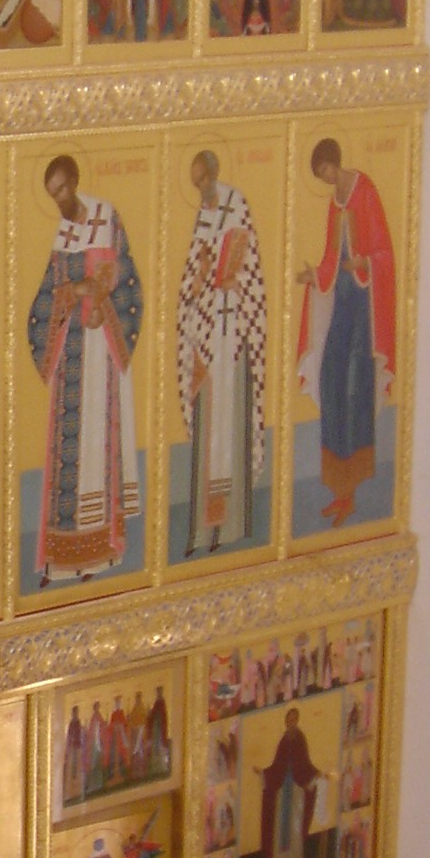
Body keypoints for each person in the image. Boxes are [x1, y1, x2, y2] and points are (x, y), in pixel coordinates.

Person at [27, 155, 142, 582]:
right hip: (70, 354)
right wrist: (73, 291)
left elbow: (128, 283)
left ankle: (101, 554)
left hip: (103, 353)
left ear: (74, 181)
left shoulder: (107, 218)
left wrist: (103, 307)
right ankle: (60, 561)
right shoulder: (63, 234)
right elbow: (45, 298)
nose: (58, 199)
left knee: (100, 449)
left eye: (61, 188)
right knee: (67, 455)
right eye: (51, 193)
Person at [296, 136, 397, 525]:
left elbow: (385, 252)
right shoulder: (334, 204)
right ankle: (338, 487)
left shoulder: (364, 190)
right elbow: (330, 258)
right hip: (341, 302)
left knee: (355, 388)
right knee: (331, 380)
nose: (324, 178)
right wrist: (314, 276)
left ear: (333, 162)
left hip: (363, 309)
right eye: (319, 173)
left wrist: (365, 262)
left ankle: (351, 489)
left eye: (324, 169)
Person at [175, 150, 268, 556]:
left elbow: (252, 270)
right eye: (195, 183)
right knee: (207, 430)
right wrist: (197, 284)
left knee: (232, 427)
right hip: (206, 334)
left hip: (235, 336)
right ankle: (202, 531)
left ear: (215, 173)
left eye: (204, 179)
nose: (201, 188)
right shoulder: (203, 216)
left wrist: (234, 281)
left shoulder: (236, 205)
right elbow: (192, 277)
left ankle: (231, 528)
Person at [259, 708, 326, 858]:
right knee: (280, 831)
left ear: (297, 720)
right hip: (283, 791)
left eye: (293, 719)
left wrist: (315, 774)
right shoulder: (283, 740)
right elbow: (277, 766)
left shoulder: (300, 740)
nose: (290, 723)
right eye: (288, 720)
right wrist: (264, 774)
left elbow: (305, 764)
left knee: (295, 831)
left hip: (296, 792)